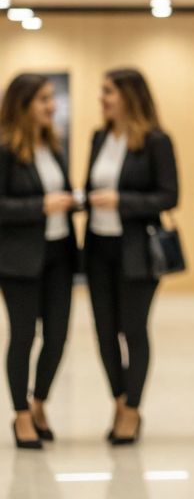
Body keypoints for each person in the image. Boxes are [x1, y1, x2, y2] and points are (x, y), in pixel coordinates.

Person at [85, 68, 178, 446]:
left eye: (108, 91)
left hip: (137, 250)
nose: (102, 98)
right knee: (104, 332)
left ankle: (133, 409)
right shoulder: (98, 137)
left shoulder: (156, 140)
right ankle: (119, 401)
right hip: (97, 247)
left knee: (133, 329)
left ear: (129, 95)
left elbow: (169, 196)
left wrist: (121, 200)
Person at [0, 74, 79, 449]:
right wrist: (40, 206)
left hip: (59, 253)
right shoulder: (4, 149)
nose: (52, 105)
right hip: (18, 259)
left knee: (58, 337)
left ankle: (39, 403)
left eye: (52, 99)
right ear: (23, 104)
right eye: (44, 99)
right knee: (23, 337)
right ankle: (20, 415)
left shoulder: (52, 145)